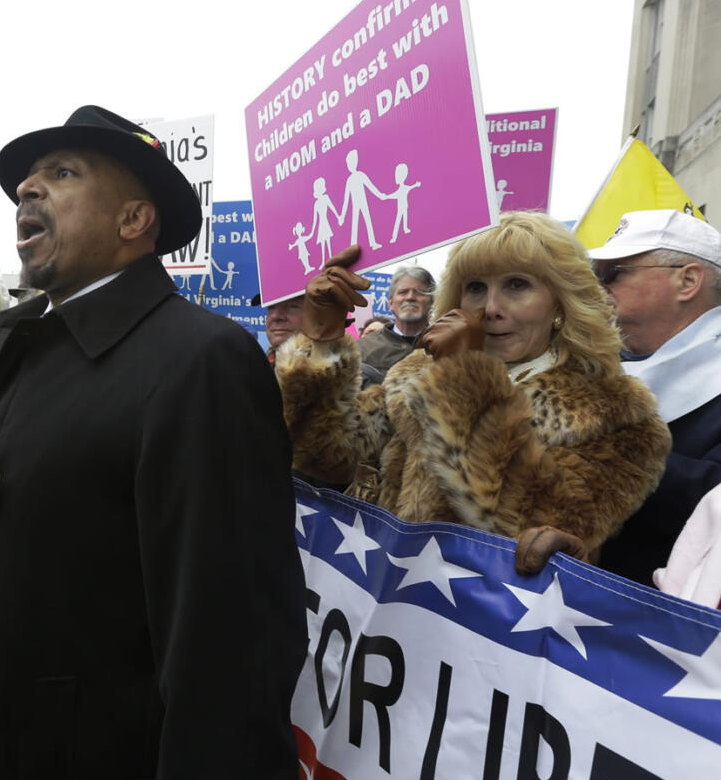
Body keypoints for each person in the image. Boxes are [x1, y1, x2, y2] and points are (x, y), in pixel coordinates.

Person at [0, 106, 306, 780]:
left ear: (134, 220)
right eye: (26, 180)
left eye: (62, 173)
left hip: (76, 775)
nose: (27, 189)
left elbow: (230, 638)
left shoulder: (198, 360)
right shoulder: (22, 345)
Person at [277, 212, 671, 554]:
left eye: (517, 285)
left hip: (490, 630)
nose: (491, 309)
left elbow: (526, 525)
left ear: (560, 304)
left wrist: (463, 378)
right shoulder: (419, 371)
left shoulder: (618, 413)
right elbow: (323, 455)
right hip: (386, 607)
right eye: (476, 288)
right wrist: (322, 341)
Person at [587, 209, 721, 586]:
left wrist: (612, 450)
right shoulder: (598, 367)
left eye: (614, 274)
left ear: (688, 280)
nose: (599, 288)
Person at [355, 264, 434, 375]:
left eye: (419, 292)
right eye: (403, 292)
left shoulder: (447, 344)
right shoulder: (362, 348)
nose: (410, 297)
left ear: (431, 302)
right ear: (391, 303)